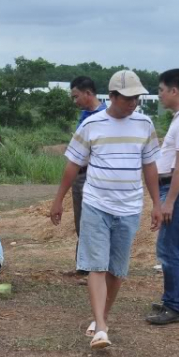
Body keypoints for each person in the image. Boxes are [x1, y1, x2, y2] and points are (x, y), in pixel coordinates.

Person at [50, 70, 161, 350]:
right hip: (96, 204)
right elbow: (72, 166)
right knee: (97, 265)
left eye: (136, 98)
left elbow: (150, 167)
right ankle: (100, 327)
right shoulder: (92, 125)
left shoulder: (145, 125)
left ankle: (103, 318)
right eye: (127, 98)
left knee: (117, 270)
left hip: (130, 207)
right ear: (111, 96)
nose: (133, 102)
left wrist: (157, 204)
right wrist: (58, 200)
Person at [146, 69, 179, 325]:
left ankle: (174, 305)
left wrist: (169, 201)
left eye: (161, 90)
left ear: (174, 90)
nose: (160, 95)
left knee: (168, 249)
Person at [69, 77, 107, 275]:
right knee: (81, 220)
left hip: (95, 175)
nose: (74, 101)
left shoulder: (105, 116)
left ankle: (95, 266)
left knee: (95, 220)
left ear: (88, 93)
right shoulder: (84, 115)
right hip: (79, 174)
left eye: (76, 96)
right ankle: (83, 264)